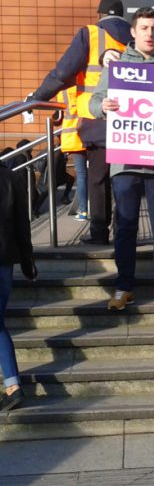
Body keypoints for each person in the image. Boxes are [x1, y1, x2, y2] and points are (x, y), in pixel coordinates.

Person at [89, 6, 154, 310]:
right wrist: (103, 106)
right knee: (126, 226)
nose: (150, 33)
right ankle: (123, 287)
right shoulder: (116, 68)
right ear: (133, 32)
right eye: (144, 28)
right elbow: (94, 103)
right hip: (125, 160)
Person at [29, 0, 132, 245]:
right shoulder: (136, 36)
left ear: (100, 16)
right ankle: (125, 233)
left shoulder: (91, 34)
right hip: (132, 121)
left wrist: (37, 96)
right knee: (125, 181)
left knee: (98, 179)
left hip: (97, 119)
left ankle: (99, 233)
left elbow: (63, 72)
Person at [0, 158, 37, 411]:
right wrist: (27, 261)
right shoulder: (11, 177)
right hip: (5, 260)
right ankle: (12, 385)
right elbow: (23, 226)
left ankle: (13, 385)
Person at [56, 87, 89, 220]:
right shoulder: (87, 84)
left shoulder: (62, 90)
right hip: (92, 131)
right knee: (98, 175)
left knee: (81, 175)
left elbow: (57, 117)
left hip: (74, 136)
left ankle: (83, 211)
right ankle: (103, 211)